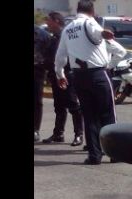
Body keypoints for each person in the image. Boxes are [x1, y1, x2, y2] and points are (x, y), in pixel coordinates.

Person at [55, 0, 118, 165]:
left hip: (79, 77)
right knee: (107, 114)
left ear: (78, 10)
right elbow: (97, 32)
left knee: (89, 116)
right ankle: (114, 153)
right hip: (98, 74)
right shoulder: (89, 23)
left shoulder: (68, 29)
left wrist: (60, 74)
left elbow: (60, 55)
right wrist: (104, 33)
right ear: (92, 11)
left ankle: (94, 155)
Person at [42, 12, 84, 146]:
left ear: (56, 21)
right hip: (55, 74)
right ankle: (58, 133)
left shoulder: (65, 36)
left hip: (66, 74)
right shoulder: (54, 36)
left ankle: (79, 134)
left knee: (73, 105)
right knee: (59, 106)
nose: (47, 23)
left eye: (49, 20)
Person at [34, 25, 51, 142]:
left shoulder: (43, 35)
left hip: (37, 72)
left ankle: (35, 130)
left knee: (36, 101)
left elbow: (49, 54)